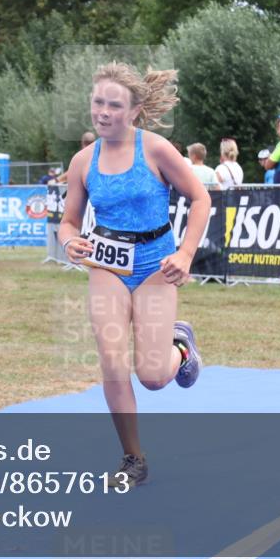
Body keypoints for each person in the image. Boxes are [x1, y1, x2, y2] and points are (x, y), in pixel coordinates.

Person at [58, 62, 209, 488]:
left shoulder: (157, 149)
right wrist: (70, 242)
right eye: (97, 102)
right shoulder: (82, 161)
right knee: (111, 361)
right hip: (107, 262)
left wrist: (185, 252)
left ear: (135, 109)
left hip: (157, 264)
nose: (103, 112)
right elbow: (69, 222)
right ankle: (133, 459)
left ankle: (181, 346)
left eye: (114, 105)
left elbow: (200, 199)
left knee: (154, 377)